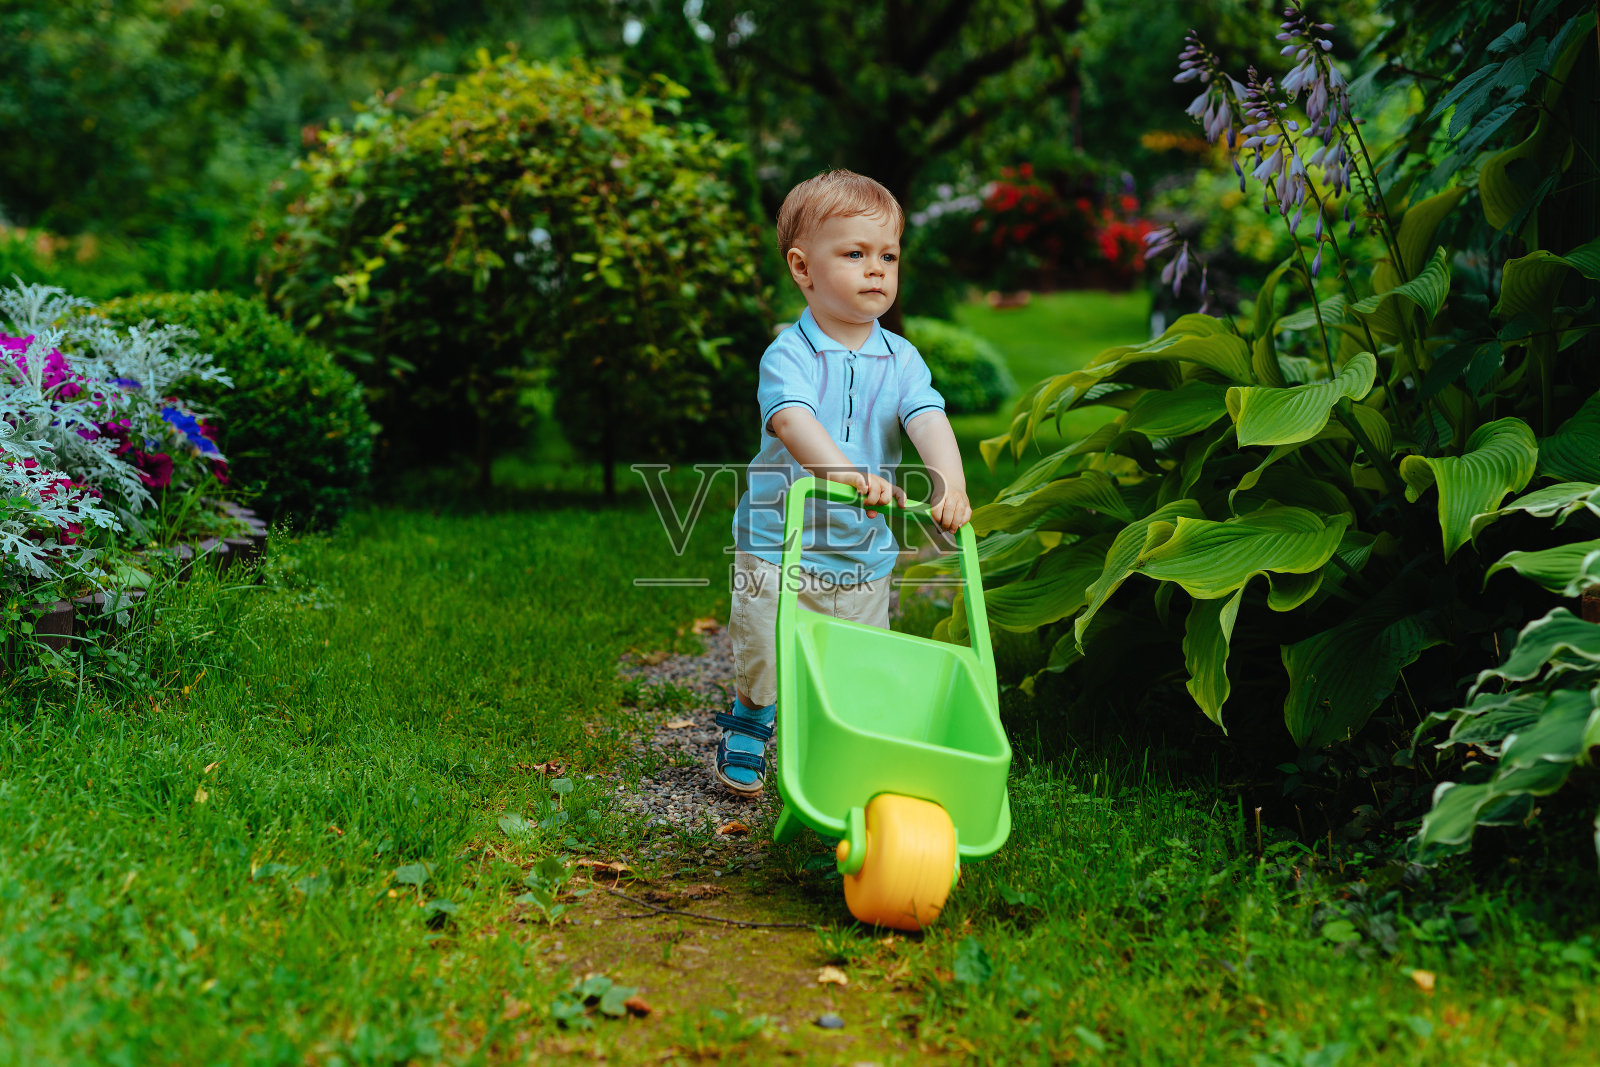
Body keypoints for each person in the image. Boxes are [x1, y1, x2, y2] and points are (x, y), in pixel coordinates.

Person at [717, 169, 971, 796]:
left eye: (887, 255)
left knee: (860, 656)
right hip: (779, 540)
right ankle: (752, 717)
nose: (876, 270)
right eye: (854, 254)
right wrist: (847, 474)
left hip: (860, 547)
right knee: (767, 648)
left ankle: (849, 740)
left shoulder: (902, 358)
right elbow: (792, 420)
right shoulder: (789, 353)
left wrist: (949, 481)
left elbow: (926, 415)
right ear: (803, 269)